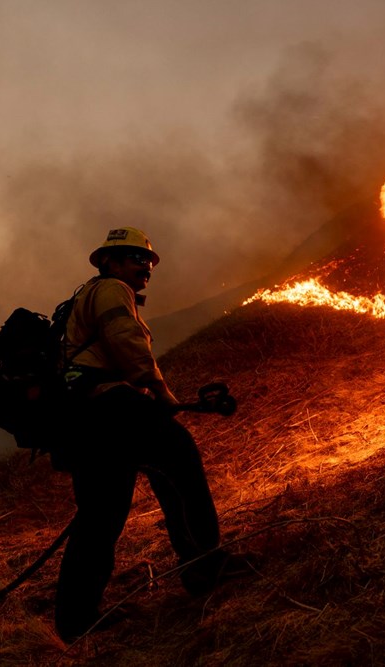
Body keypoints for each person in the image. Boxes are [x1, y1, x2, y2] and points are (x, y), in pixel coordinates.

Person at [53, 226, 245, 642]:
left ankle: (75, 618)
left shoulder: (86, 295)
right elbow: (126, 341)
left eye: (149, 262)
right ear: (110, 261)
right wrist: (159, 390)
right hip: (112, 406)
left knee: (100, 516)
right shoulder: (110, 290)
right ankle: (204, 567)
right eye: (138, 259)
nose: (147, 269)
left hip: (85, 418)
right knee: (180, 464)